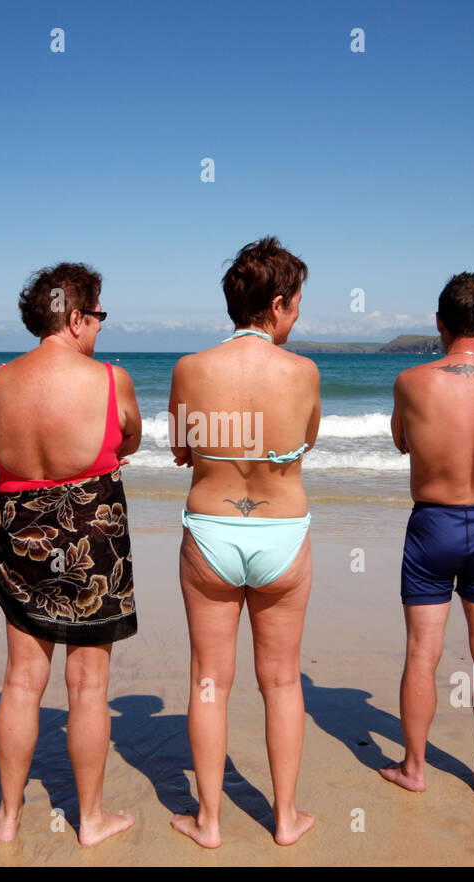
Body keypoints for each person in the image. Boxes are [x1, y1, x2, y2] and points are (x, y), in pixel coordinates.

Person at [0, 262, 141, 848]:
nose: (99, 328)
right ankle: (89, 821)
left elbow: (2, 448)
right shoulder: (109, 379)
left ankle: (9, 817)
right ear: (74, 318)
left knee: (21, 680)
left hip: (18, 532)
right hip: (92, 531)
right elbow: (129, 436)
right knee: (88, 685)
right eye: (97, 316)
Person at [167, 236, 320, 848]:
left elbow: (181, 449)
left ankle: (208, 822)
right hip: (282, 533)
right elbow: (305, 442)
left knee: (209, 678)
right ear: (277, 304)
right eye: (298, 303)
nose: (299, 315)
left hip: (210, 532)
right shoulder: (304, 371)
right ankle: (284, 819)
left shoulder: (189, 368)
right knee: (281, 681)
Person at [384, 271, 474, 797]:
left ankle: (415, 769)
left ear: (440, 323)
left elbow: (403, 443)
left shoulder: (411, 381)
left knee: (423, 652)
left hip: (433, 523)